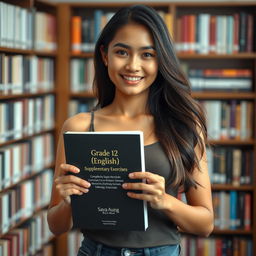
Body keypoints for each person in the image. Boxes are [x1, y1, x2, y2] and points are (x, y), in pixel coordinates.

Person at [47, 4, 214, 256]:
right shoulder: (79, 127)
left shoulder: (184, 126)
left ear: (161, 60)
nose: (133, 66)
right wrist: (71, 201)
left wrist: (164, 201)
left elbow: (205, 224)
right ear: (105, 55)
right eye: (122, 52)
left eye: (147, 54)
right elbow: (55, 225)